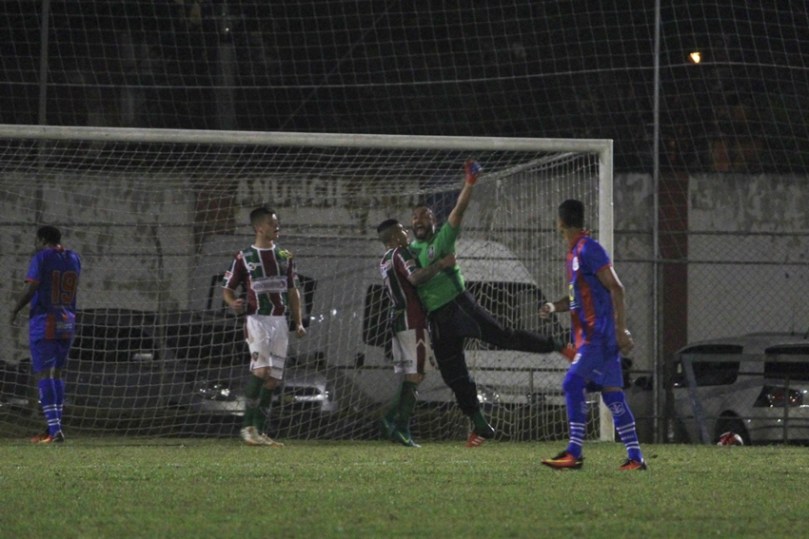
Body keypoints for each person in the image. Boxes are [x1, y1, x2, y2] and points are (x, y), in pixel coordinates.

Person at [409, 160, 560, 447]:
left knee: (503, 336)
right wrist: (439, 266)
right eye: (416, 217)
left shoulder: (442, 239)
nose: (419, 220)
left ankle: (556, 345)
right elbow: (414, 279)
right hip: (437, 320)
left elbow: (458, 211)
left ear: (432, 222)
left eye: (425, 216)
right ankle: (480, 425)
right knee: (455, 377)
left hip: (459, 306)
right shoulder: (408, 252)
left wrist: (469, 183)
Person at [539, 199, 646, 471]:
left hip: (597, 337)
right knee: (613, 396)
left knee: (572, 383)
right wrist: (554, 307)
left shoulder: (589, 249)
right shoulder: (575, 253)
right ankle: (635, 457)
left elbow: (617, 288)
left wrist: (621, 329)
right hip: (594, 337)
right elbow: (577, 297)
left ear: (560, 222)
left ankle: (574, 452)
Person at [222, 206, 306, 447]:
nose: (275, 226)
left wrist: (298, 322)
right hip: (256, 319)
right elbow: (227, 288)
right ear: (258, 228)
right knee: (261, 372)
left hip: (279, 321)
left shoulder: (285, 256)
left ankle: (259, 430)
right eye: (271, 223)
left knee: (273, 381)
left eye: (276, 223)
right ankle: (247, 427)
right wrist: (232, 302)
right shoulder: (244, 257)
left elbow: (293, 291)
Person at [376, 218, 456, 447]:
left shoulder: (384, 260)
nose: (406, 232)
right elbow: (414, 277)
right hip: (412, 319)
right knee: (416, 375)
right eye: (401, 230)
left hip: (399, 320)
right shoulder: (400, 253)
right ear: (393, 238)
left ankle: (391, 420)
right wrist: (441, 264)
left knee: (413, 374)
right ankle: (399, 426)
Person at [10, 226, 81, 444]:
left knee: (44, 375)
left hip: (45, 321)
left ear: (42, 239)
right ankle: (53, 428)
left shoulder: (41, 258)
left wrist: (15, 309)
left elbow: (31, 289)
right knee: (56, 374)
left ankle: (54, 429)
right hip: (67, 322)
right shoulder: (74, 258)